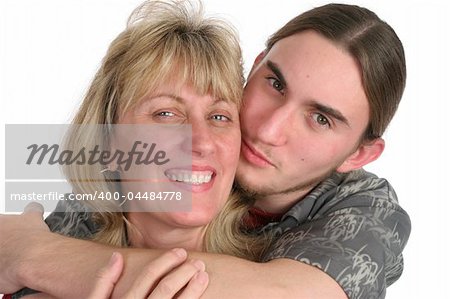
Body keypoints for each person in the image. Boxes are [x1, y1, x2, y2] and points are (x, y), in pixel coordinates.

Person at [0, 2, 411, 299]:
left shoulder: (361, 209)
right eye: (275, 84)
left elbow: (293, 293)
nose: (266, 131)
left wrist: (35, 254)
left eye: (320, 119)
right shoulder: (103, 196)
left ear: (358, 156)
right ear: (256, 65)